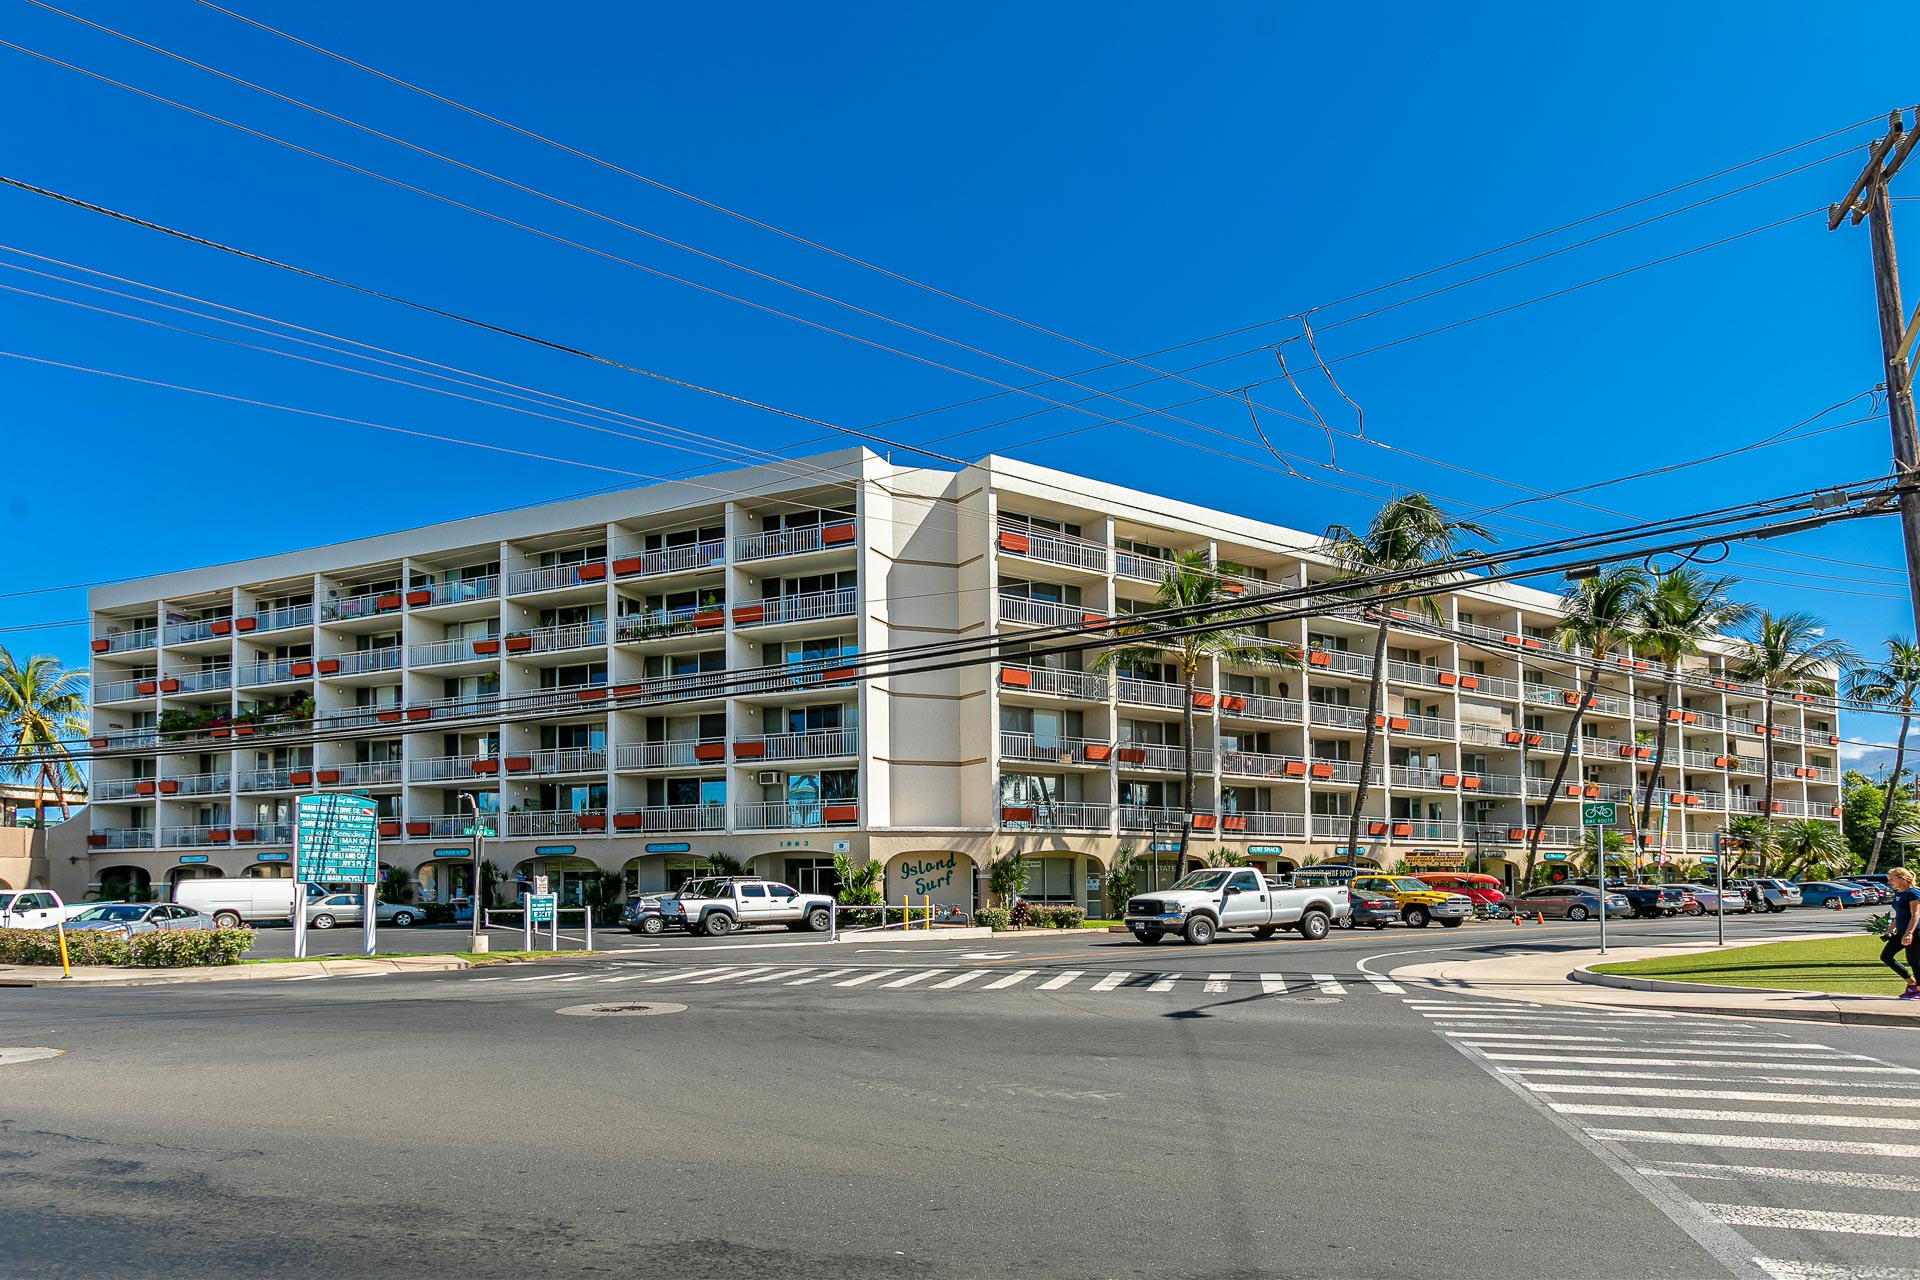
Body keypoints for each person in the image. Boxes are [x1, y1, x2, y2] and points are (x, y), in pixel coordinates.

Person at [1882, 866, 1920, 1001]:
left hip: (1914, 931)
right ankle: (1911, 982)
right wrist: (1890, 929)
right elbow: (1899, 914)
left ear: (1902, 879)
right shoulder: (1899, 893)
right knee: (1886, 956)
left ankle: (1918, 990)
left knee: (1914, 960)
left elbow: (1915, 915)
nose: (1889, 882)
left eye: (1891, 879)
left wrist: (1909, 933)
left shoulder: (1913, 893)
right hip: (1901, 931)